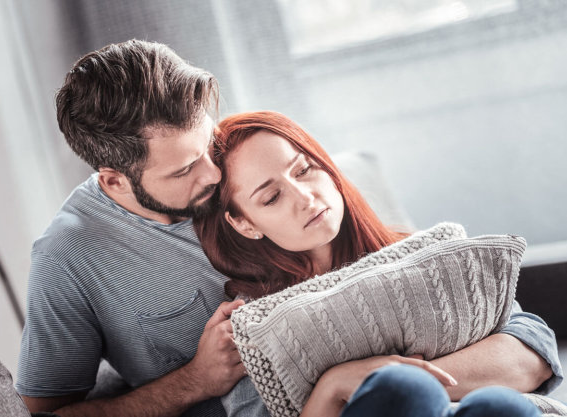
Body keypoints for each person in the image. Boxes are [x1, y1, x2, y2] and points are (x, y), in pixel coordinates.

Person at [194, 111, 563, 416]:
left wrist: (397, 377)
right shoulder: (251, 326)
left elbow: (533, 355)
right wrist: (334, 386)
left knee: (495, 406)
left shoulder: (417, 252)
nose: (305, 197)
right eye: (272, 196)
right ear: (245, 223)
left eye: (305, 170)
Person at [17, 40, 246, 416]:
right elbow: (45, 413)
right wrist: (196, 379)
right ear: (115, 182)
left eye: (209, 143)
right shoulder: (67, 259)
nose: (216, 172)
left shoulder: (240, 157)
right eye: (184, 169)